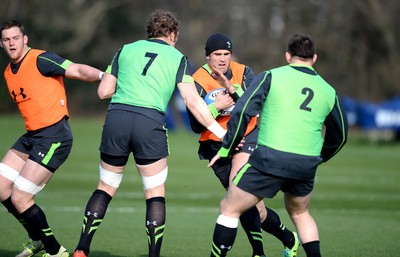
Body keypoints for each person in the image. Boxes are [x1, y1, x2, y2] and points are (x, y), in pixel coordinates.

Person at [72, 9, 226, 257]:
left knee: (105, 186)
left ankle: (81, 248)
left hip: (117, 119)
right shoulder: (178, 58)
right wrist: (220, 132)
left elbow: (103, 92)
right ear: (173, 34)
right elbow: (193, 102)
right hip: (149, 122)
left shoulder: (125, 49)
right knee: (154, 193)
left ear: (150, 32)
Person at [207, 33, 348, 257]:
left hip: (270, 158)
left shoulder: (271, 76)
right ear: (314, 58)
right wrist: (318, 157)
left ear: (287, 56)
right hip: (306, 163)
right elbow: (339, 137)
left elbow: (243, 111)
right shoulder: (328, 90)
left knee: (230, 208)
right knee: (301, 214)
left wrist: (226, 148)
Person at [188, 33, 299, 257]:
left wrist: (231, 88)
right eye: (217, 54)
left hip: (246, 139)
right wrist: (215, 107)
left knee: (237, 197)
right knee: (253, 208)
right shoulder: (196, 80)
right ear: (208, 55)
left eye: (226, 54)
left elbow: (253, 105)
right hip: (216, 147)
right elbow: (195, 126)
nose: (222, 59)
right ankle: (289, 238)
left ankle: (258, 253)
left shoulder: (243, 72)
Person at [0, 20, 104, 257]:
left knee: (21, 196)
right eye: (7, 39)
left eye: (15, 38)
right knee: (1, 187)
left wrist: (102, 75)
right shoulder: (8, 72)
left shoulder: (40, 59)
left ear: (25, 39)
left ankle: (55, 251)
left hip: (54, 136)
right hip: (32, 136)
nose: (11, 43)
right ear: (2, 43)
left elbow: (76, 69)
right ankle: (36, 238)